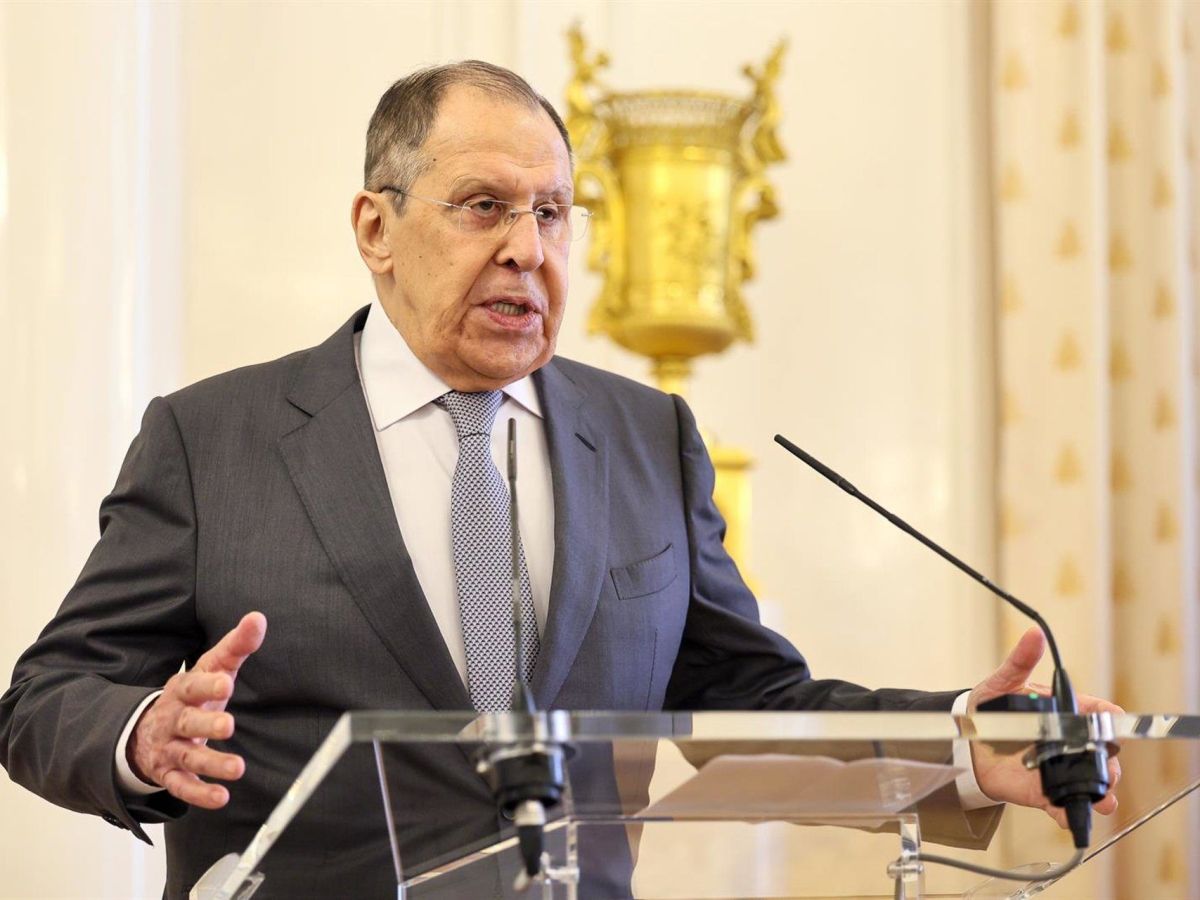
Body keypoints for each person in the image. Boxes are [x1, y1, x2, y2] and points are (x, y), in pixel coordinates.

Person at [0, 61, 1120, 899]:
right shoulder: (216, 440)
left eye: (551, 213)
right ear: (376, 228)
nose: (528, 249)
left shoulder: (646, 437)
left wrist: (966, 744)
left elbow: (746, 700)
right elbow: (48, 695)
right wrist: (142, 734)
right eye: (483, 206)